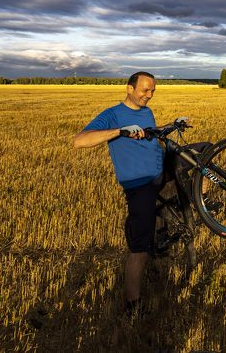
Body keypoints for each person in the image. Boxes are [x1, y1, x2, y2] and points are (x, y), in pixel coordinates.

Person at [73, 71, 167, 314]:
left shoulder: (146, 111)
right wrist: (119, 131)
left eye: (153, 91)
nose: (149, 95)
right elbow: (79, 140)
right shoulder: (112, 115)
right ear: (129, 88)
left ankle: (201, 205)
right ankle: (132, 305)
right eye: (145, 90)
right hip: (140, 183)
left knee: (203, 155)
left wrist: (170, 126)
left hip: (159, 171)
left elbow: (148, 136)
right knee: (140, 249)